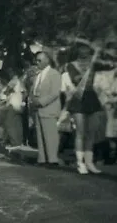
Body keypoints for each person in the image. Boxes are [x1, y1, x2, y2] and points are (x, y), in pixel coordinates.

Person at [61, 38, 110, 174]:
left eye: (87, 48)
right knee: (80, 132)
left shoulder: (95, 63)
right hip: (78, 100)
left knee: (91, 132)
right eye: (81, 48)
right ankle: (79, 162)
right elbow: (77, 80)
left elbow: (107, 70)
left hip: (92, 99)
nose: (84, 51)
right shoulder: (71, 65)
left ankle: (89, 162)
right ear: (77, 50)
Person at [30, 51, 62, 166]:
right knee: (40, 135)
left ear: (47, 60)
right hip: (37, 109)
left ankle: (52, 160)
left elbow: (55, 93)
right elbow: (33, 91)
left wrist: (41, 102)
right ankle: (42, 159)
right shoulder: (39, 75)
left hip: (48, 108)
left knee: (50, 135)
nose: (37, 62)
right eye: (36, 60)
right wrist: (33, 102)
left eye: (40, 60)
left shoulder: (54, 74)